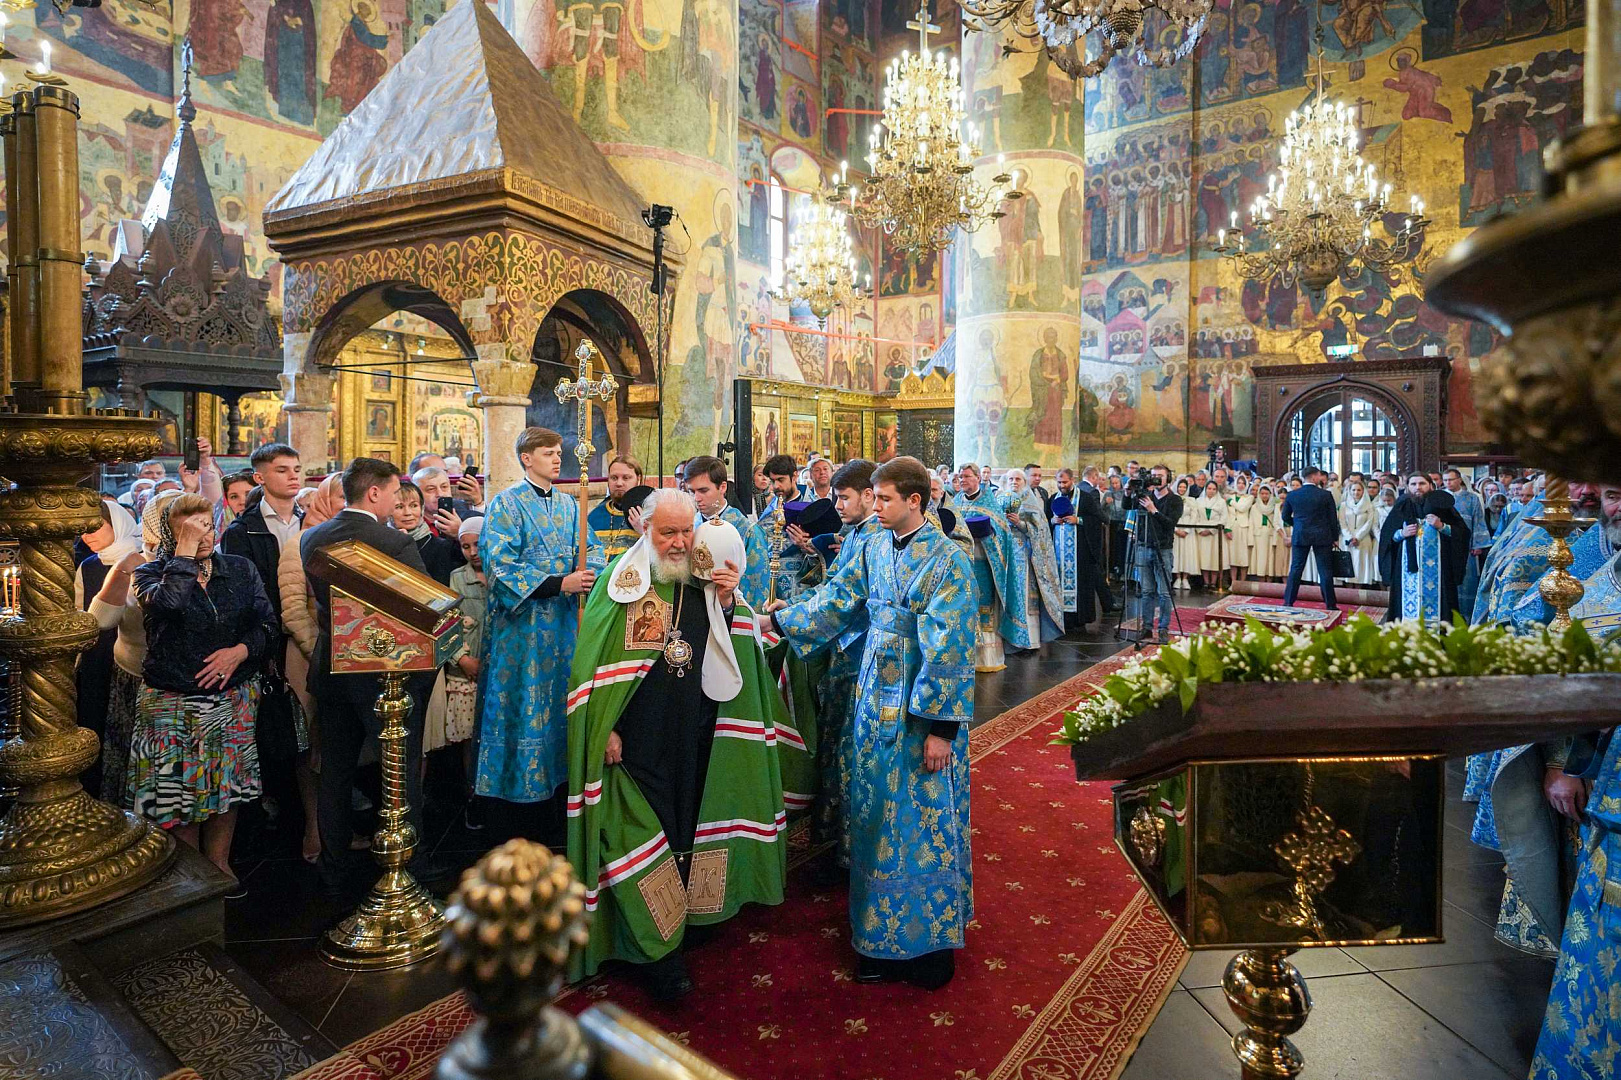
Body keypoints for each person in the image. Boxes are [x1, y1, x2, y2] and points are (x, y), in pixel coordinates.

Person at [766, 456, 976, 990]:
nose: (874, 508)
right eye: (874, 499)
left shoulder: (949, 560)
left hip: (918, 708)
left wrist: (940, 729)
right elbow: (837, 600)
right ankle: (879, 937)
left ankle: (928, 946)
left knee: (923, 817)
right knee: (875, 813)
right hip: (872, 695)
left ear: (915, 501)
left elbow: (951, 647)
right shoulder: (873, 546)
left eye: (884, 500)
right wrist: (776, 620)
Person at [566, 492, 787, 999]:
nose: (680, 542)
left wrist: (729, 602)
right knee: (648, 830)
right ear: (645, 528)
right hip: (639, 738)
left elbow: (732, 652)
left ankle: (690, 917)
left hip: (695, 728)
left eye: (687, 531)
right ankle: (656, 950)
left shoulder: (702, 580)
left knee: (691, 821)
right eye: (668, 533)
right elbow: (595, 669)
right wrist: (607, 729)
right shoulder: (620, 585)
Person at [300, 457, 434, 891]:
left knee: (335, 768)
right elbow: (426, 604)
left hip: (330, 668)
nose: (399, 502)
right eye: (395, 493)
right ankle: (406, 866)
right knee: (400, 764)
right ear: (373, 493)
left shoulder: (312, 538)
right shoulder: (391, 542)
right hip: (383, 673)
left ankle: (334, 867)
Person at [131, 493, 277, 891]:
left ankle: (219, 862)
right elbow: (170, 605)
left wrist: (239, 652)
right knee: (177, 794)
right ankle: (189, 871)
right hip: (172, 703)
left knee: (223, 788)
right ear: (170, 535)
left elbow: (267, 625)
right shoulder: (148, 574)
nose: (205, 537)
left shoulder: (239, 569)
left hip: (230, 700)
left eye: (208, 526)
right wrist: (183, 556)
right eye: (191, 531)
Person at [477, 428, 604, 841]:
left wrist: (589, 577)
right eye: (548, 453)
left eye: (559, 453)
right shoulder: (505, 505)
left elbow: (594, 554)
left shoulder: (571, 504)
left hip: (567, 629)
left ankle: (561, 808)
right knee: (522, 714)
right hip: (523, 634)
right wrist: (558, 583)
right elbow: (498, 566)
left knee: (561, 711)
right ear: (526, 458)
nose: (556, 460)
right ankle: (516, 819)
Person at [221, 441, 320, 863]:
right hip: (269, 642)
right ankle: (271, 824)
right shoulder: (242, 531)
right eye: (282, 470)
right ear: (259, 477)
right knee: (273, 735)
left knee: (307, 734)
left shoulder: (311, 520)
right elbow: (247, 594)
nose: (294, 476)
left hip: (304, 637)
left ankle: (309, 823)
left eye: (297, 468)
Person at [1377, 475, 1470, 623]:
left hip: (1439, 572)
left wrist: (1442, 526)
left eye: (1422, 483)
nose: (1418, 487)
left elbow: (1463, 534)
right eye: (1413, 484)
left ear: (1430, 486)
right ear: (1408, 487)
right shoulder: (1402, 504)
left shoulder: (1443, 506)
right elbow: (1386, 537)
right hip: (1407, 571)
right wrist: (1402, 533)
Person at [446, 516, 488, 831]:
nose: (473, 551)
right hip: (469, 669)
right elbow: (447, 623)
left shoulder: (503, 575)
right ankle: (472, 796)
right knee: (470, 739)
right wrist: (462, 659)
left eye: (478, 544)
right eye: (465, 546)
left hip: (500, 666)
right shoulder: (457, 578)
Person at [683, 455, 768, 608]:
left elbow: (756, 591)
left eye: (703, 490)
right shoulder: (688, 526)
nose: (696, 498)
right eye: (691, 491)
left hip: (731, 614)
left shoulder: (748, 531)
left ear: (722, 487)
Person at [999, 468, 1065, 646]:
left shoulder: (1030, 501)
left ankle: (1029, 639)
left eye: (1018, 479)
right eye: (1011, 478)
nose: (1014, 482)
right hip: (1004, 553)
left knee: (1024, 594)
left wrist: (1019, 523)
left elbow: (1040, 530)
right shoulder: (998, 498)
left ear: (1024, 482)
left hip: (1024, 555)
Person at [1130, 465, 1182, 643]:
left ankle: (1163, 628)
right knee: (1146, 591)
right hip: (1143, 547)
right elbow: (1125, 506)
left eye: (1160, 476)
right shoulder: (1146, 497)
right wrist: (1128, 491)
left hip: (1163, 548)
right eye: (1153, 476)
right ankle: (1146, 627)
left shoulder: (1175, 500)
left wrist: (1154, 510)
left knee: (1164, 592)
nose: (1156, 479)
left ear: (1168, 478)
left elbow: (1170, 523)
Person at [1280, 467, 1340, 610]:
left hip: (1301, 534)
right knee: (1325, 570)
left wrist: (1298, 524)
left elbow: (1285, 517)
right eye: (1319, 475)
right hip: (1322, 535)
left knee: (1295, 569)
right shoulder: (1325, 495)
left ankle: (1288, 601)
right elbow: (1333, 519)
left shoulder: (1293, 495)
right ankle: (1330, 604)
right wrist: (1335, 537)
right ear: (1314, 477)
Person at [392, 479, 463, 586]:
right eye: (399, 507)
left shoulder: (441, 547)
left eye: (414, 505)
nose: (408, 513)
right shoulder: (382, 542)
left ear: (422, 508)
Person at [1069, 467, 1116, 626]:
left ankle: (1107, 602)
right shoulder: (1092, 492)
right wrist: (1108, 519)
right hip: (1089, 537)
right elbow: (1096, 513)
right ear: (1094, 477)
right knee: (1095, 570)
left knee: (1093, 573)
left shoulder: (1077, 489)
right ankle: (1107, 603)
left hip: (1073, 539)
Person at [587, 455, 645, 560]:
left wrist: (643, 531)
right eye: (614, 478)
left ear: (639, 479)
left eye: (626, 478)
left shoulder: (650, 514)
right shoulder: (594, 517)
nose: (619, 483)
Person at [1339, 478, 1380, 585]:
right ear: (1349, 491)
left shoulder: (1369, 506)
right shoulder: (1344, 505)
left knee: (1360, 568)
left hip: (1363, 539)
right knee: (1348, 568)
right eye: (1353, 490)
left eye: (1358, 490)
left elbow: (1369, 523)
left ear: (1363, 491)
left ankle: (1359, 593)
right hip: (1347, 539)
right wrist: (1349, 537)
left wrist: (1358, 537)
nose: (1356, 492)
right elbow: (1342, 522)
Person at [1193, 479, 1228, 590]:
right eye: (1209, 488)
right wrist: (1200, 530)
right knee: (1204, 557)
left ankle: (1213, 582)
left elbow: (1224, 517)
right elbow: (1195, 516)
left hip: (1215, 533)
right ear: (1205, 489)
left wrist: (1212, 530)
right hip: (1202, 533)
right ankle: (1205, 582)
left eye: (1213, 489)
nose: (1211, 491)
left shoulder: (1221, 502)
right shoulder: (1198, 501)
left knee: (1214, 558)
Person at [1248, 482, 1280, 582]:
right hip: (1258, 536)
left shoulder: (1275, 506)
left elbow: (1277, 522)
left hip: (1270, 535)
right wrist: (1250, 540)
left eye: (1267, 493)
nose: (1264, 495)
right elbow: (1251, 522)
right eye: (1262, 493)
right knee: (1260, 560)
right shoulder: (1254, 507)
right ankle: (1261, 583)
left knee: (1270, 560)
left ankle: (1269, 583)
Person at [1226, 473, 1253, 584]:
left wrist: (1230, 501)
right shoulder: (1230, 496)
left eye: (1243, 483)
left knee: (1243, 555)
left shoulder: (1249, 497)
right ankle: (1233, 582)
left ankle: (1242, 582)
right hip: (1232, 527)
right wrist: (1227, 528)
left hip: (1243, 527)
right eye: (1239, 483)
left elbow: (1242, 508)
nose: (1241, 485)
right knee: (1233, 555)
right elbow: (1226, 514)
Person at [1172, 477, 1198, 590]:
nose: (1182, 489)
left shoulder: (1191, 500)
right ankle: (1177, 578)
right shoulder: (1172, 499)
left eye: (1184, 487)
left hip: (1188, 530)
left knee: (1187, 553)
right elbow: (1168, 515)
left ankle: (1185, 578)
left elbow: (1194, 515)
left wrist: (1187, 530)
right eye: (1180, 486)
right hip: (1175, 529)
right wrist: (1176, 529)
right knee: (1177, 553)